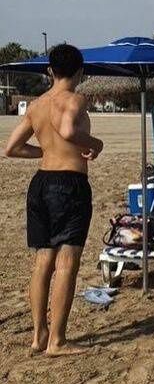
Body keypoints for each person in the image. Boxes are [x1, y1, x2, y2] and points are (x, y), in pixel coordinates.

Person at [4, 44, 102, 356]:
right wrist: (95, 143)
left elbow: (11, 148)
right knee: (67, 261)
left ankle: (39, 335)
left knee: (43, 260)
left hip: (41, 184)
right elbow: (68, 129)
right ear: (80, 72)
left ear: (49, 71)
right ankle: (57, 340)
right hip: (69, 184)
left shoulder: (37, 105)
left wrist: (46, 150)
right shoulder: (75, 99)